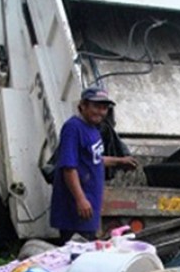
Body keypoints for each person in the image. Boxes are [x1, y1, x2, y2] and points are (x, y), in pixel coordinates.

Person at [50, 86, 137, 244]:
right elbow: (68, 168)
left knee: (88, 251)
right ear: (83, 105)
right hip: (76, 210)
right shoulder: (73, 128)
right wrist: (81, 199)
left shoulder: (94, 129)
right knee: (76, 256)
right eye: (96, 106)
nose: (100, 112)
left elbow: (94, 159)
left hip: (90, 207)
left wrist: (119, 161)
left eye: (104, 108)